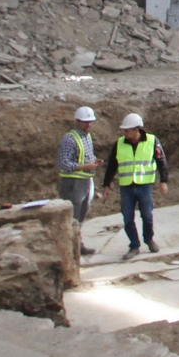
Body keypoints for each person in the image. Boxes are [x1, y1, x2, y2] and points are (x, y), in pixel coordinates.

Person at [101, 112, 168, 260]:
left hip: (144, 186)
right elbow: (112, 165)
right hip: (126, 187)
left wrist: (163, 181)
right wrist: (106, 184)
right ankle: (134, 245)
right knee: (127, 218)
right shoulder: (119, 143)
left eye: (127, 130)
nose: (124, 133)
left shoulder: (152, 141)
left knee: (147, 216)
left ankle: (149, 239)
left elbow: (161, 161)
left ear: (136, 129)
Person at [56, 105, 99, 257]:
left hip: (85, 181)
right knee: (72, 217)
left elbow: (86, 155)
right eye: (85, 122)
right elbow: (63, 163)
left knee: (81, 215)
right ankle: (70, 248)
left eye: (90, 122)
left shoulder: (86, 136)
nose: (88, 125)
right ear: (77, 121)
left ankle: (78, 244)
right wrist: (84, 166)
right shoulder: (70, 138)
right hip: (72, 183)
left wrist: (93, 162)